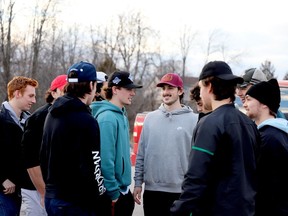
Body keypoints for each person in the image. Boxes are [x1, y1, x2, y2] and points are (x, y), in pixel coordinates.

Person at [170, 61, 261, 216]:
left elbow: (196, 177)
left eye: (201, 88)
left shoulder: (209, 123)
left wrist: (179, 211)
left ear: (210, 86)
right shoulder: (249, 124)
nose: (200, 93)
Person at [40, 61, 105, 216]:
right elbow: (94, 164)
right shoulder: (86, 120)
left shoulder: (52, 113)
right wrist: (100, 195)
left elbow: (43, 154)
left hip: (53, 198)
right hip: (75, 202)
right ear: (91, 85)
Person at [133, 73, 199, 216]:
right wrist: (138, 182)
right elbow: (141, 154)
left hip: (181, 192)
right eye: (163, 88)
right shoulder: (150, 119)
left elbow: (198, 159)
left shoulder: (195, 120)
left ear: (180, 91)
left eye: (170, 88)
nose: (165, 92)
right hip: (152, 192)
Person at [90, 71, 142, 216]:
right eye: (128, 89)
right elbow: (105, 160)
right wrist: (114, 193)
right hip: (112, 194)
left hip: (122, 190)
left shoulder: (120, 114)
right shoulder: (107, 118)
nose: (133, 93)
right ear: (115, 89)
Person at [21, 74, 67, 216]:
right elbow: (31, 160)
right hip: (36, 188)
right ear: (53, 93)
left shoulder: (69, 116)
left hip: (58, 190)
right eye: (65, 90)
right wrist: (43, 193)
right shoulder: (39, 118)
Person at [243, 79, 288, 215]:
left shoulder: (268, 138)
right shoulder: (277, 133)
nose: (244, 104)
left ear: (263, 103)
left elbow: (265, 186)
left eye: (249, 99)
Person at [0, 76, 38, 216]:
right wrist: (2, 179)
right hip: (4, 193)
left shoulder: (29, 121)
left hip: (21, 191)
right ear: (17, 93)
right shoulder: (1, 120)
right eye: (30, 96)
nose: (34, 101)